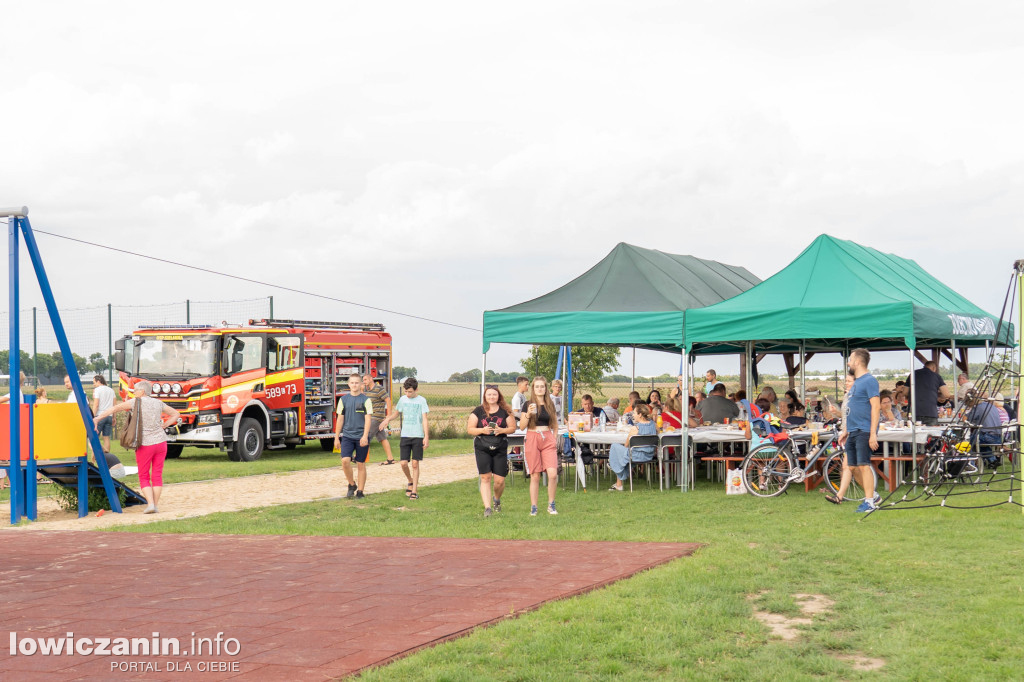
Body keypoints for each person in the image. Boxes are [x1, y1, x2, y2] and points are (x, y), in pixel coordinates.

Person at [93, 380, 179, 513]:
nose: (134, 393)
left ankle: (150, 504)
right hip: (161, 442)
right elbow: (176, 414)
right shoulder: (158, 403)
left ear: (142, 391)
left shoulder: (135, 402)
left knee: (144, 475)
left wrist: (98, 418)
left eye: (135, 391)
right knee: (157, 474)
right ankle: (155, 504)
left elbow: (114, 408)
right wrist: (165, 425)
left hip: (145, 444)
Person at [824, 348, 880, 512]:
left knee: (864, 466)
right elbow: (852, 409)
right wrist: (847, 430)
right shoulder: (858, 382)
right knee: (853, 467)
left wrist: (872, 434)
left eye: (850, 359)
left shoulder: (869, 381)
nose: (848, 362)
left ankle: (869, 502)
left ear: (857, 362)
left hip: (864, 430)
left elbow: (875, 407)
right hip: (853, 430)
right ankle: (873, 495)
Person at [467, 385, 516, 517]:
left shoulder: (505, 411)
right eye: (489, 395)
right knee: (486, 477)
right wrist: (483, 430)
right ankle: (487, 508)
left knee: (499, 481)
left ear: (498, 396)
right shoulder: (478, 411)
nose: (492, 397)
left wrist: (501, 430)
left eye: (494, 394)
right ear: (485, 396)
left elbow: (512, 428)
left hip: (500, 446)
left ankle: (496, 499)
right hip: (482, 447)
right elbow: (470, 429)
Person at [380, 377, 430, 499]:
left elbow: (424, 419)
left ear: (416, 389)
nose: (407, 394)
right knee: (403, 463)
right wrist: (387, 419)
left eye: (410, 392)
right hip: (405, 435)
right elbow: (397, 413)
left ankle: (414, 491)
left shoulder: (422, 401)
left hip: (417, 435)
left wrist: (426, 436)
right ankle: (410, 480)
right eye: (406, 391)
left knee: (414, 464)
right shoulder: (403, 400)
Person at [518, 376, 559, 516]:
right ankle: (534, 506)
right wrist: (528, 414)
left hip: (547, 438)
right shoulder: (527, 404)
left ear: (546, 388)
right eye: (537, 386)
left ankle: (551, 504)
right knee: (535, 476)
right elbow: (522, 426)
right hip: (532, 437)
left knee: (552, 474)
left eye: (542, 386)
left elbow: (555, 424)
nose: (540, 388)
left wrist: (554, 437)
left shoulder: (550, 404)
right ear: (533, 389)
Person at [333, 374, 374, 499]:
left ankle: (360, 491)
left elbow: (368, 420)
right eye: (352, 383)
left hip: (362, 437)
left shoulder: (366, 400)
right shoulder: (343, 400)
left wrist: (365, 436)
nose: (355, 385)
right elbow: (340, 420)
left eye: (357, 383)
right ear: (349, 384)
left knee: (360, 464)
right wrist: (336, 437)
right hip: (347, 436)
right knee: (345, 461)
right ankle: (352, 484)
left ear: (361, 384)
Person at [607, 404, 658, 491]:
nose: (633, 415)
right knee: (622, 455)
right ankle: (618, 481)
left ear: (640, 415)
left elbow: (627, 444)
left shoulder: (635, 428)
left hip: (635, 456)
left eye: (634, 413)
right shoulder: (654, 425)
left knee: (615, 447)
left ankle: (616, 476)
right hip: (649, 455)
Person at [362, 373, 395, 466]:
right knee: (382, 438)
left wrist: (389, 415)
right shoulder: (368, 391)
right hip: (371, 417)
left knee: (366, 436)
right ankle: (390, 459)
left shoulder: (379, 389)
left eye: (365, 380)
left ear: (371, 379)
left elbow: (388, 400)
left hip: (376, 418)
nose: (364, 382)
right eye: (363, 380)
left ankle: (359, 457)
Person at [905, 361, 950, 426]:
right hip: (930, 412)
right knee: (931, 434)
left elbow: (905, 392)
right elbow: (946, 394)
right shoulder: (936, 376)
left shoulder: (913, 374)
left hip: (914, 413)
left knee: (915, 435)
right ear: (934, 368)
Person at [966, 393, 1003, 467]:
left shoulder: (977, 408)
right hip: (999, 437)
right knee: (978, 441)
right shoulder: (991, 405)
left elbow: (968, 419)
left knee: (970, 441)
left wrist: (965, 415)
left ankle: (972, 463)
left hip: (988, 436)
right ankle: (992, 460)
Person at [91, 375, 116, 454]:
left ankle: (94, 459)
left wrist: (93, 417)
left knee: (94, 439)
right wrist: (114, 417)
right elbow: (114, 405)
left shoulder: (97, 390)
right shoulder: (111, 390)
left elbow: (96, 405)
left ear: (98, 381)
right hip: (109, 416)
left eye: (94, 382)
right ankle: (107, 457)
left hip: (100, 416)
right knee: (106, 438)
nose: (93, 384)